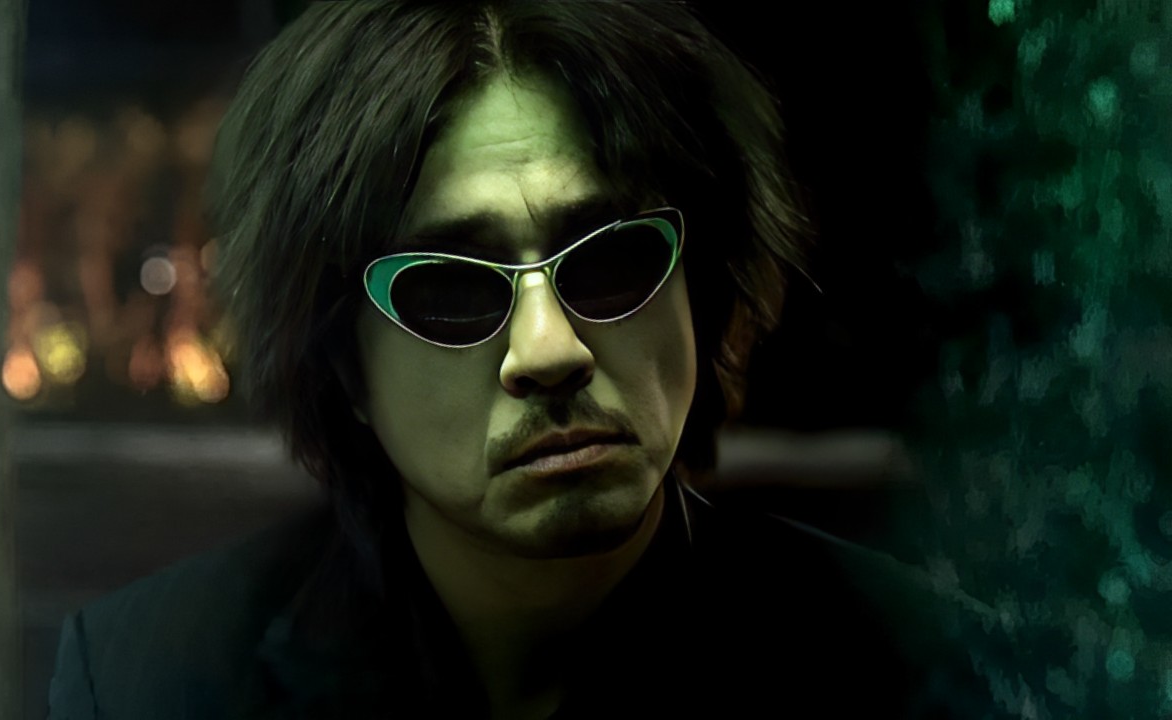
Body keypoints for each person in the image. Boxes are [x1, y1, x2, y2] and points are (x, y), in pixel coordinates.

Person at [48, 2, 977, 718]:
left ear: (701, 291)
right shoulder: (151, 680)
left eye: (612, 263)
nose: (550, 350)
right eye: (452, 291)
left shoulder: (920, 670)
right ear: (343, 363)